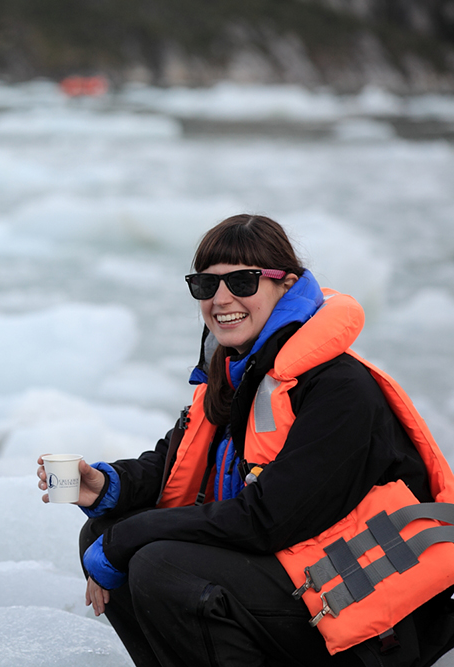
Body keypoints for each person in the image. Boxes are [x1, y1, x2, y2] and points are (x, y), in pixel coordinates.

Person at [37, 214, 454, 666]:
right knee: (99, 533)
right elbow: (178, 462)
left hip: (365, 617)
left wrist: (127, 538)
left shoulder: (340, 389)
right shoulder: (242, 373)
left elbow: (268, 519)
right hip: (295, 576)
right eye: (205, 284)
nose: (221, 299)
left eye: (242, 281)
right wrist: (107, 485)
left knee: (159, 565)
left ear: (285, 284)